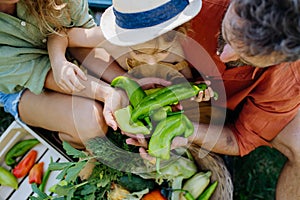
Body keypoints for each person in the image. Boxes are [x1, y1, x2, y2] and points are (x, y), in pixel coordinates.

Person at [99, 0, 300, 199]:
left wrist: (186, 132)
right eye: (226, 36)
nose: (224, 56)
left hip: (248, 103)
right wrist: (122, 86)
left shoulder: (288, 78)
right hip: (169, 77)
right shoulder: (186, 4)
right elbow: (110, 37)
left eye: (246, 58)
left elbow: (240, 138)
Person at [0, 0, 129, 149]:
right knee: (90, 121)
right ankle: (66, 138)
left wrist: (126, 80)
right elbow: (43, 74)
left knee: (128, 67)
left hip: (65, 46)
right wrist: (106, 93)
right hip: (20, 84)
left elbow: (79, 37)